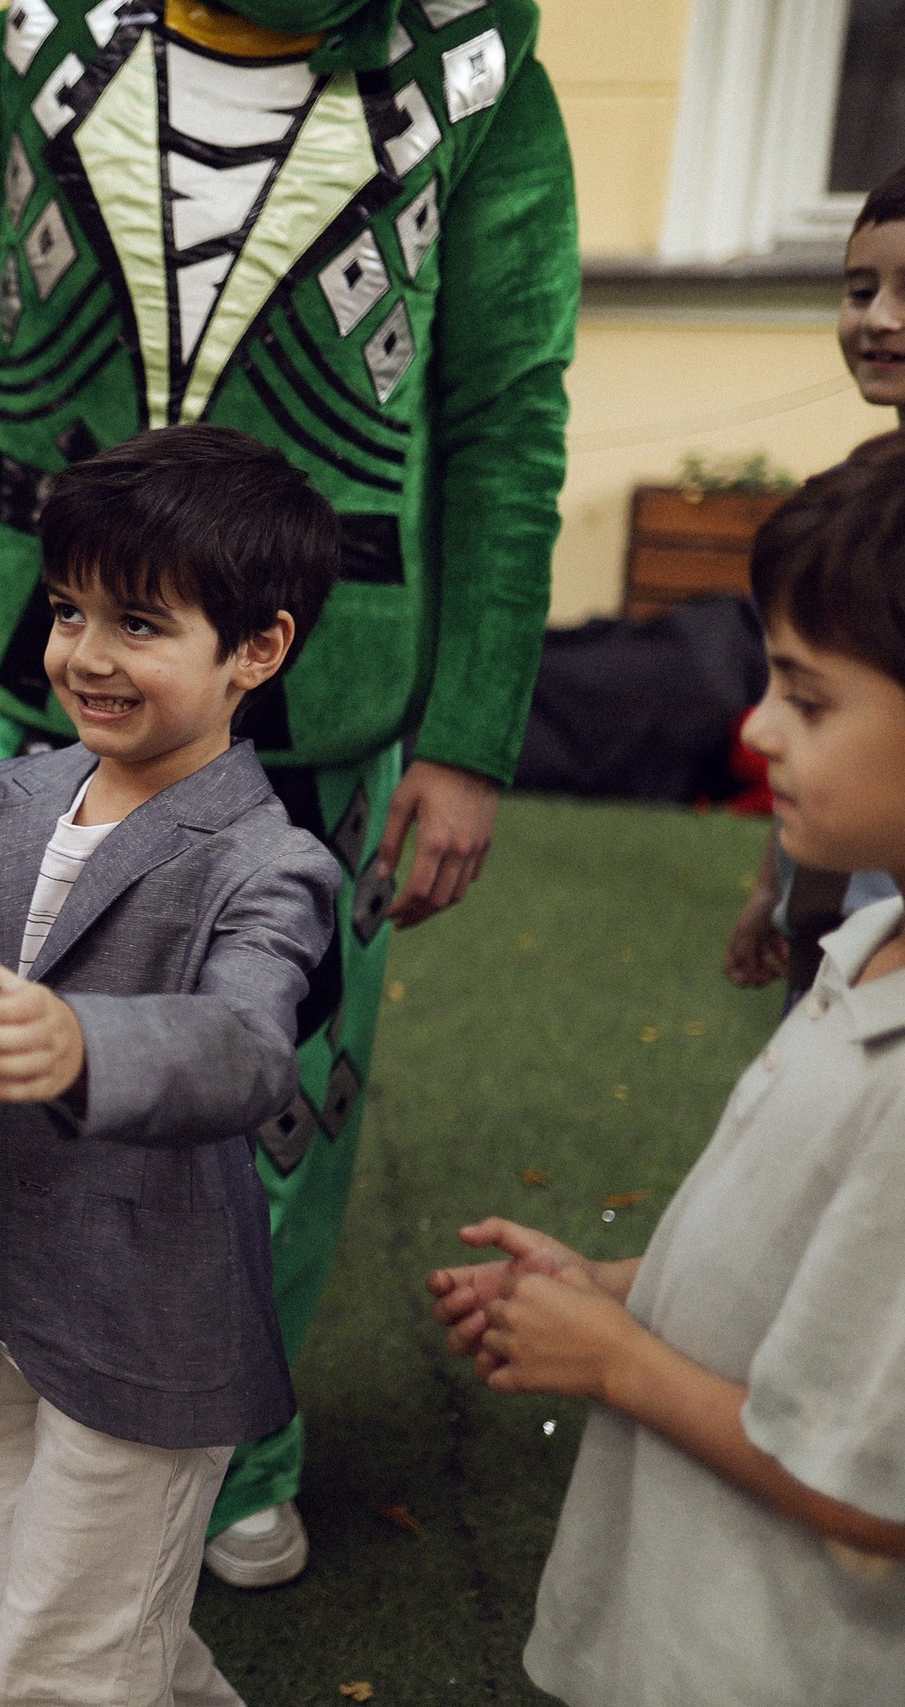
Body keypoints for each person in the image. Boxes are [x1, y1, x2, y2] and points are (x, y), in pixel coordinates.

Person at [0, 0, 576, 1646]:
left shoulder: (479, 73)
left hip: (321, 696)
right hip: (38, 656)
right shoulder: (39, 40)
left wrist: (471, 731)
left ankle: (228, 1433)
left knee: (270, 1100)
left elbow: (504, 411)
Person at [0, 427, 342, 1703]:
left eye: (138, 623)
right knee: (67, 1613)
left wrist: (84, 1042)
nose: (86, 655)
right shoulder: (1, 799)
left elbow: (245, 1045)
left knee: (64, 1663)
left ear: (256, 653)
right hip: (13, 1295)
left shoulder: (269, 864)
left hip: (152, 1330)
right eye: (68, 611)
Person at [428, 432, 905, 1706]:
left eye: (806, 699)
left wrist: (613, 1359)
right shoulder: (867, 940)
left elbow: (875, 1497)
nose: (752, 728)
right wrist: (617, 1288)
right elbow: (821, 1270)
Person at [723, 162, 905, 999]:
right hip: (828, 933)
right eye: (860, 288)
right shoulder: (856, 502)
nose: (880, 319)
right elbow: (807, 719)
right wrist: (777, 887)